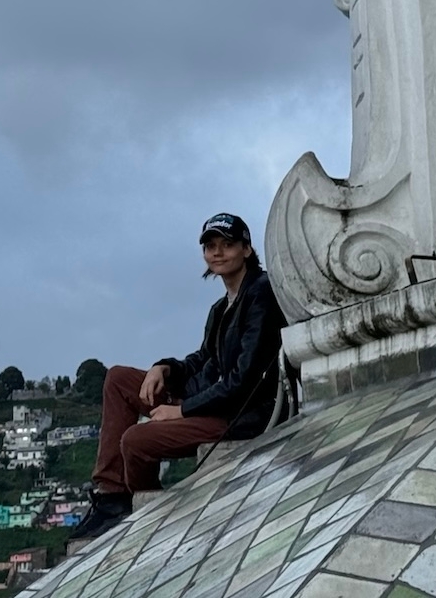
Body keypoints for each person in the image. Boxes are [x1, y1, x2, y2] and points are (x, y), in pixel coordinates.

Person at [69, 213, 286, 541]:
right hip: (211, 400)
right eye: (211, 246)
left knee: (135, 441)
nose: (218, 252)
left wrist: (180, 411)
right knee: (118, 378)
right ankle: (112, 497)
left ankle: (148, 514)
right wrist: (164, 368)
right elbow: (203, 360)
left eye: (227, 245)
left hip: (242, 413)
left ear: (246, 249)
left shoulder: (261, 293)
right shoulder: (220, 308)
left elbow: (244, 381)